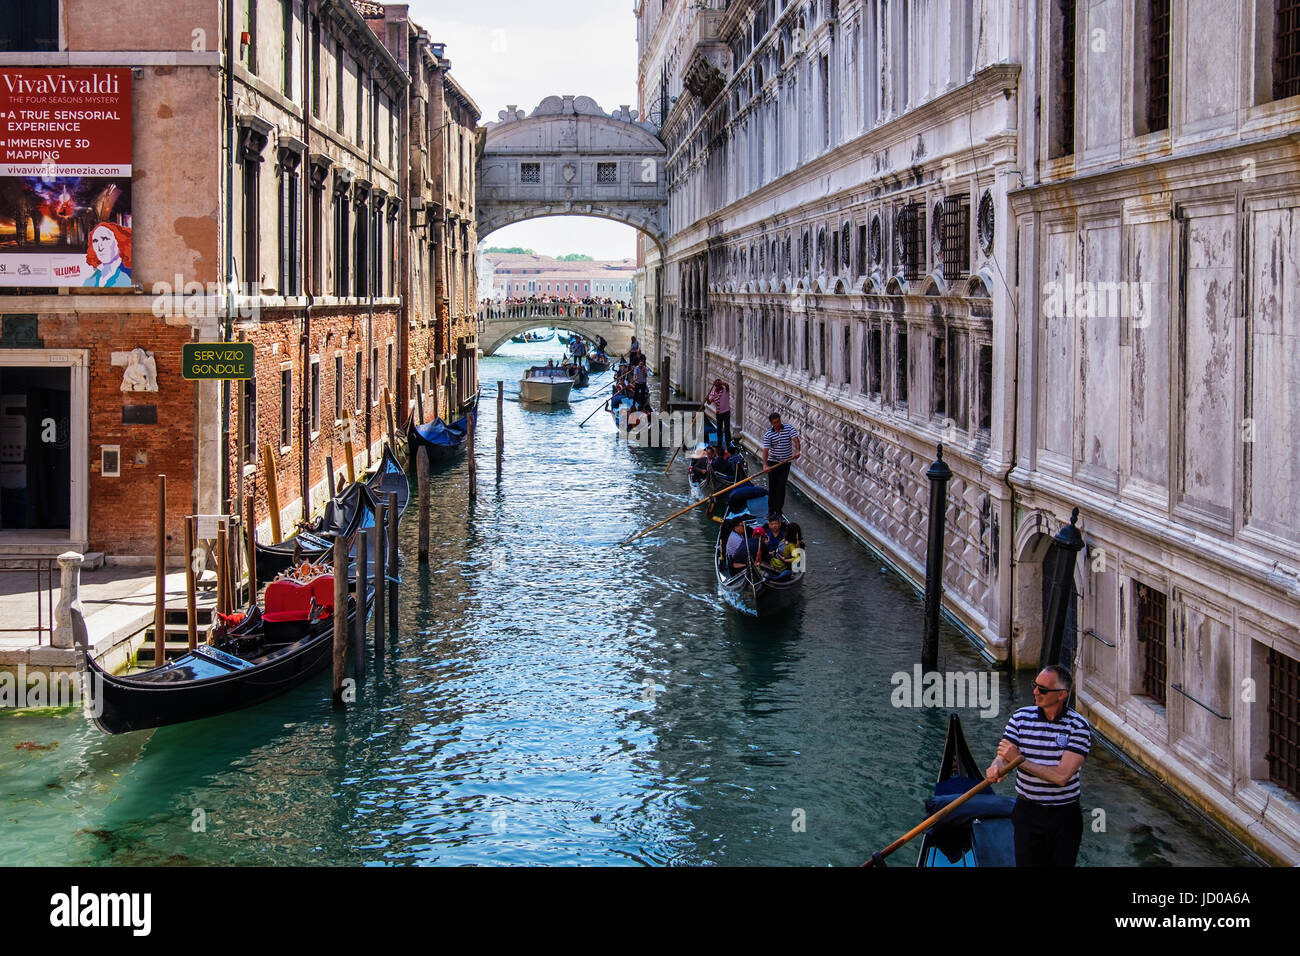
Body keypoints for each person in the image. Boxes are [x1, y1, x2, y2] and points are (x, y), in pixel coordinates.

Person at [985, 665, 1091, 867]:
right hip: (1027, 811)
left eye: (1042, 689)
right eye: (1035, 686)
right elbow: (1004, 755)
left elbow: (1061, 776)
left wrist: (1020, 760)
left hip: (1064, 816)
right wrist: (997, 766)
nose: (1035, 692)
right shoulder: (1020, 718)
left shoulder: (1078, 726)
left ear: (1061, 695)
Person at [761, 412, 800, 516]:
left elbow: (796, 440)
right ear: (772, 423)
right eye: (775, 423)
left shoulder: (789, 428)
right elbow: (765, 451)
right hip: (773, 462)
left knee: (781, 486)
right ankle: (771, 510)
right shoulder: (769, 434)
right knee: (773, 486)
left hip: (785, 463)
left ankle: (778, 511)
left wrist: (797, 450)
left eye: (778, 421)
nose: (777, 424)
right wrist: (765, 465)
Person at [84, 222, 133, 287]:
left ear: (119, 241)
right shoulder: (90, 281)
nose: (100, 247)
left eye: (105, 239)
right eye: (95, 241)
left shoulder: (129, 276)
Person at [706, 379, 732, 448]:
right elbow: (709, 402)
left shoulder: (725, 390)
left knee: (727, 429)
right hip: (718, 413)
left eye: (718, 385)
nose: (717, 386)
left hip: (726, 412)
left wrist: (720, 383)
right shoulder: (713, 392)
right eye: (716, 385)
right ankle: (719, 443)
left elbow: (727, 385)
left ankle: (728, 444)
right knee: (719, 429)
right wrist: (707, 399)